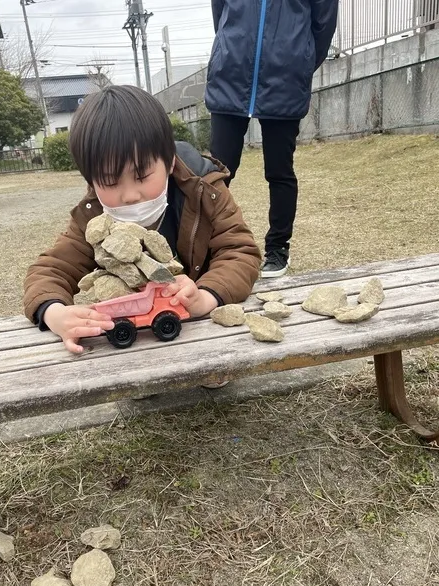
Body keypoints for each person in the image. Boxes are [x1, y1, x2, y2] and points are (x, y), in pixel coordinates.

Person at [24, 85, 261, 356]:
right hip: (137, 335)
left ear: (170, 162)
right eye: (110, 181)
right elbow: (50, 270)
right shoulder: (94, 217)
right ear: (91, 181)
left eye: (141, 176)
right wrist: (54, 313)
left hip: (199, 323)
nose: (130, 195)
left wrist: (205, 296)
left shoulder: (206, 192)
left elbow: (240, 252)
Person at [205, 0, 339, 278]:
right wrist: (231, 47)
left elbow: (323, 24)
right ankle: (210, 247)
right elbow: (221, 14)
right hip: (230, 72)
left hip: (286, 78)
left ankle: (278, 248)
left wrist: (298, 60)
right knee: (216, 174)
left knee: (279, 171)